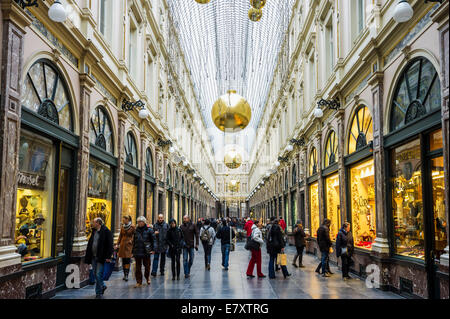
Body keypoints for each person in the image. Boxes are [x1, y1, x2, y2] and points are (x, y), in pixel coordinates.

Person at [85, 217, 114, 299]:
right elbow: (91, 243)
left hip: (101, 257)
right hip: (93, 256)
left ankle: (98, 293)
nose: (92, 224)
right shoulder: (94, 231)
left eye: (94, 222)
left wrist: (108, 256)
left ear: (98, 223)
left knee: (98, 274)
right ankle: (103, 285)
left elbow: (110, 245)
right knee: (95, 274)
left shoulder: (106, 231)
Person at [132, 216, 155, 287]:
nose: (139, 223)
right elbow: (134, 242)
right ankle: (139, 281)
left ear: (144, 222)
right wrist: (132, 252)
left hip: (146, 251)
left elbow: (153, 240)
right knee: (138, 268)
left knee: (147, 266)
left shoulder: (149, 230)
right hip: (137, 251)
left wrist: (153, 249)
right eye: (138, 222)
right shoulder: (135, 231)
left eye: (141, 222)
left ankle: (147, 277)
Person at [115, 215, 135, 281]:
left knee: (127, 260)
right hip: (123, 245)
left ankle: (126, 274)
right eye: (123, 219)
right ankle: (124, 274)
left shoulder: (132, 227)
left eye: (124, 219)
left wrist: (131, 240)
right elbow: (120, 236)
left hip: (129, 245)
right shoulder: (122, 227)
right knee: (123, 260)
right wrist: (117, 244)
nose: (123, 221)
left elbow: (134, 235)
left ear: (128, 220)